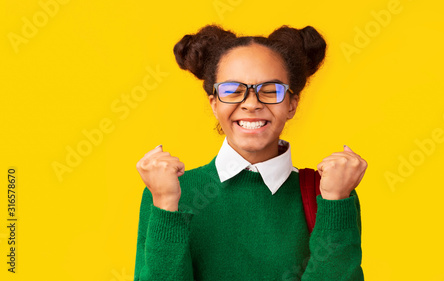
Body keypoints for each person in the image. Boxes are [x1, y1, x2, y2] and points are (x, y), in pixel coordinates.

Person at [133, 24, 368, 281]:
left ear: (292, 104)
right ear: (214, 104)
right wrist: (167, 205)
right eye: (232, 91)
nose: (252, 104)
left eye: (271, 91)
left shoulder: (330, 192)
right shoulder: (169, 193)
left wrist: (335, 201)